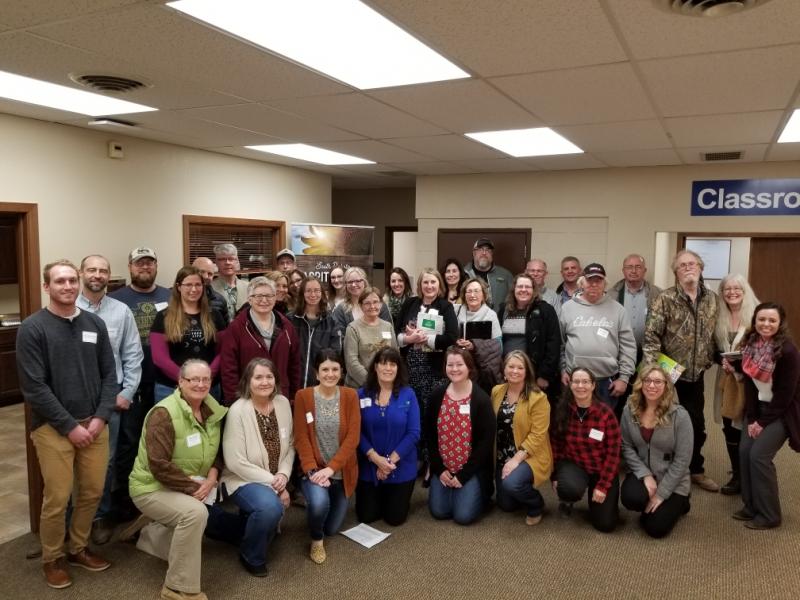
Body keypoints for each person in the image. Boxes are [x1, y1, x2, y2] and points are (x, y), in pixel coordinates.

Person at [17, 260, 117, 589]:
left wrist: (101, 417)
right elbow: (34, 388)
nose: (68, 286)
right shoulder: (33, 328)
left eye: (72, 280)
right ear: (47, 287)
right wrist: (69, 426)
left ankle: (77, 548)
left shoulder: (94, 324)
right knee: (58, 498)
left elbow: (109, 376)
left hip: (95, 425)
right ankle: (53, 557)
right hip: (53, 428)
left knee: (91, 493)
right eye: (60, 281)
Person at [128, 359, 230, 600]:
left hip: (191, 482)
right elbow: (159, 466)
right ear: (180, 382)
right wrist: (196, 487)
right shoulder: (163, 413)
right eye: (193, 379)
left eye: (206, 379)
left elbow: (218, 452)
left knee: (199, 516)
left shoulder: (213, 410)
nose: (200, 384)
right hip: (151, 487)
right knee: (195, 514)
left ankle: (151, 534)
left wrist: (212, 477)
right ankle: (176, 588)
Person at [77, 255, 144, 544]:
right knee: (71, 461)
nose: (97, 274)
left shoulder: (120, 311)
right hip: (75, 398)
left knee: (106, 461)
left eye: (102, 270)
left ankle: (100, 516)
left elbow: (133, 355)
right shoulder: (68, 308)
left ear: (109, 275)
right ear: (82, 273)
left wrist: (126, 392)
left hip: (112, 397)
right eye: (91, 269)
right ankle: (74, 519)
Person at [644, 249, 719, 492]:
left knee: (696, 424)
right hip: (668, 374)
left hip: (696, 375)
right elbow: (651, 336)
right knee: (663, 425)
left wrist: (719, 357)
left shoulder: (711, 299)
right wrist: (652, 372)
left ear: (701, 268)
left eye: (692, 264)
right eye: (682, 265)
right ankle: (660, 470)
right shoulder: (665, 299)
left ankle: (695, 469)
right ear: (676, 272)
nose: (688, 268)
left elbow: (714, 335)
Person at [110, 246, 171, 518]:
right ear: (130, 266)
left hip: (164, 383)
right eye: (139, 263)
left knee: (164, 441)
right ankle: (126, 501)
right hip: (131, 385)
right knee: (129, 443)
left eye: (149, 263)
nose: (144, 267)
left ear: (156, 265)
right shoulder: (117, 300)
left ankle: (162, 495)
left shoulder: (171, 296)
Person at [220, 358, 294, 576]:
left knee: (269, 511)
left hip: (275, 477)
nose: (265, 382)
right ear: (248, 381)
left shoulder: (282, 403)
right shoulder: (238, 410)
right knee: (270, 508)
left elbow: (290, 444)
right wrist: (275, 484)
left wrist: (283, 474)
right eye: (258, 377)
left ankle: (246, 529)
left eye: (269, 376)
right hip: (242, 478)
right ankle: (250, 555)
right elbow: (235, 462)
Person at [734, 302, 800, 530]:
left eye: (772, 320)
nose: (766, 324)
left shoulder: (788, 351)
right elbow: (751, 387)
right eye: (761, 319)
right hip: (757, 410)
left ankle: (770, 515)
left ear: (780, 323)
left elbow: (785, 395)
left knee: (759, 456)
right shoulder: (751, 345)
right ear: (755, 321)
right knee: (744, 452)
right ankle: (751, 506)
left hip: (781, 411)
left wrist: (762, 423)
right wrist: (752, 418)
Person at [293, 350, 360, 564]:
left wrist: (331, 469)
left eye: (335, 369)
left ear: (341, 372)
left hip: (340, 472)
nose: (330, 374)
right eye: (325, 369)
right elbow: (301, 438)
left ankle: (316, 511)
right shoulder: (303, 396)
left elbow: (353, 438)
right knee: (320, 505)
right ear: (316, 373)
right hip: (314, 471)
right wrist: (314, 471)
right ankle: (316, 539)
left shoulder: (350, 395)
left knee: (331, 528)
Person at [620, 365, 693, 538]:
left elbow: (683, 460)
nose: (652, 386)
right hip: (644, 472)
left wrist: (661, 495)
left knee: (655, 529)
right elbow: (626, 446)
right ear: (641, 383)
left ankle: (682, 502)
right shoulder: (629, 410)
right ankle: (654, 504)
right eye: (648, 380)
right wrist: (645, 475)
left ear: (666, 386)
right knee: (631, 498)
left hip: (672, 479)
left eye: (658, 381)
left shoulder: (680, 416)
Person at [426, 347, 495, 525]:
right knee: (439, 512)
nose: (454, 369)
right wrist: (439, 469)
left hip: (471, 469)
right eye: (450, 365)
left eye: (459, 364)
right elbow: (430, 436)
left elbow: (485, 444)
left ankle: (478, 493)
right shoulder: (437, 395)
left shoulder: (481, 399)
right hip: (444, 467)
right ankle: (453, 489)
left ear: (469, 367)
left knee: (463, 516)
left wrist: (464, 475)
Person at [550, 367, 621, 533]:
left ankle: (598, 500)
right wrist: (555, 475)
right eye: (576, 381)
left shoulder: (605, 413)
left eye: (585, 382)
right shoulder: (562, 411)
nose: (580, 386)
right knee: (567, 488)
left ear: (593, 385)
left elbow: (614, 453)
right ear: (570, 384)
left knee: (605, 525)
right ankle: (568, 499)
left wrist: (603, 486)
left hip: (601, 469)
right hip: (575, 466)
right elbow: (556, 445)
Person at [356, 348, 420, 526]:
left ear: (398, 368)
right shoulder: (360, 395)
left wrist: (388, 463)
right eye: (383, 363)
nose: (388, 368)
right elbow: (356, 431)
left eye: (393, 364)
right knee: (366, 516)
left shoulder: (409, 394)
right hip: (369, 465)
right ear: (375, 367)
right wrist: (376, 460)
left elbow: (414, 433)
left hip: (400, 466)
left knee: (394, 518)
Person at [559, 263, 636, 411]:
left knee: (602, 429)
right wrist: (563, 370)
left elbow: (628, 347)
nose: (594, 284)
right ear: (582, 283)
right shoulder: (567, 308)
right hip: (575, 381)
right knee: (575, 426)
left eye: (598, 280)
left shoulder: (618, 310)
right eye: (589, 280)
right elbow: (560, 344)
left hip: (606, 384)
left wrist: (624, 378)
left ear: (605, 284)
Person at [491, 351, 553, 526]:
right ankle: (519, 486)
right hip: (502, 454)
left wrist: (515, 461)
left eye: (520, 367)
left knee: (512, 484)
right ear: (504, 369)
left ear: (527, 372)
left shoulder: (538, 398)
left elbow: (538, 435)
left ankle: (536, 504)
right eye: (511, 366)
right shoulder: (497, 391)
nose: (515, 371)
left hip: (529, 454)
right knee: (506, 505)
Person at [396, 268, 458, 435]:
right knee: (412, 412)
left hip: (434, 370)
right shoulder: (410, 303)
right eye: (425, 282)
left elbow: (452, 338)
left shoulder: (445, 307)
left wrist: (427, 339)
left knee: (432, 412)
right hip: (410, 368)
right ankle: (414, 453)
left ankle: (429, 456)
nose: (429, 286)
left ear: (439, 284)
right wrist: (408, 339)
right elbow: (395, 333)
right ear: (420, 285)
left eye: (433, 282)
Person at [150, 266, 225, 403]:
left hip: (208, 387)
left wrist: (204, 378)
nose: (194, 289)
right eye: (188, 285)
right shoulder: (163, 317)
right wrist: (187, 380)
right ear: (178, 287)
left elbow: (223, 352)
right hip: (170, 389)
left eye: (198, 284)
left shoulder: (215, 315)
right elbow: (159, 358)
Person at [220, 277, 300, 404]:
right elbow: (228, 369)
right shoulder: (236, 328)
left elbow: (295, 364)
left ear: (275, 298)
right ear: (249, 299)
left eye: (269, 296)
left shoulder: (287, 326)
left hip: (280, 396)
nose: (264, 300)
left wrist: (293, 395)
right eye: (258, 296)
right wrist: (234, 400)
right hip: (247, 398)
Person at [714, 274, 759, 495]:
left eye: (736, 288)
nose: (732, 292)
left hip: (751, 382)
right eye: (727, 289)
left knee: (748, 426)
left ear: (745, 290)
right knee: (729, 425)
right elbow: (714, 348)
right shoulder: (718, 315)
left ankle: (750, 473)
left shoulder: (756, 315)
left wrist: (740, 368)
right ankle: (737, 474)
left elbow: (765, 350)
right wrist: (720, 360)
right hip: (726, 381)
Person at [498, 273, 561, 404]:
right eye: (520, 286)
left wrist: (544, 375)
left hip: (534, 374)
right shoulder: (504, 309)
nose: (523, 290)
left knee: (532, 410)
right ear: (513, 289)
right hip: (509, 372)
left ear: (534, 290)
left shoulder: (545, 310)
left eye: (528, 287)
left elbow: (553, 343)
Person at [290, 275, 341, 388]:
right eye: (308, 291)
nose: (313, 294)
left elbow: (335, 354)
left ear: (322, 293)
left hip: (321, 385)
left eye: (317, 290)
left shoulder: (331, 322)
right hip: (294, 382)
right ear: (302, 293)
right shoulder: (291, 320)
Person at [609, 254, 661, 363]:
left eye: (638, 267)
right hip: (619, 353)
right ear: (623, 270)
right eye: (629, 267)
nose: (633, 270)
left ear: (644, 270)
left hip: (647, 354)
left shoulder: (658, 294)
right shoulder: (610, 295)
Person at [455, 277, 503, 393]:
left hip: (482, 371)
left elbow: (499, 345)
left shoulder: (490, 315)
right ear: (464, 295)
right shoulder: (455, 311)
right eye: (469, 291)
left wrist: (474, 345)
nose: (472, 295)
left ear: (483, 294)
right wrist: (456, 341)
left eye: (476, 291)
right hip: (459, 367)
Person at [343, 287, 398, 388]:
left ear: (381, 304)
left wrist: (386, 380)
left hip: (385, 385)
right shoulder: (352, 328)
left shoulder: (388, 326)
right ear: (361, 306)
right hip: (359, 387)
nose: (372, 306)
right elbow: (352, 363)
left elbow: (395, 356)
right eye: (367, 303)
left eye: (376, 302)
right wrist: (372, 383)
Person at [332, 266, 392, 336]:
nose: (354, 285)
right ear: (346, 285)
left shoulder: (378, 304)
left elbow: (388, 332)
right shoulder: (341, 309)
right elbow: (339, 337)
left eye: (357, 281)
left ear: (364, 282)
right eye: (350, 282)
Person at [463, 237, 513, 310]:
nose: (484, 253)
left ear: (492, 254)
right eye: (480, 249)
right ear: (474, 253)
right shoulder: (463, 274)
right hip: (470, 319)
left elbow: (513, 299)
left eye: (488, 250)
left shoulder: (505, 275)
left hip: (499, 320)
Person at [211, 243, 249, 322]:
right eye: (222, 259)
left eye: (231, 259)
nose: (227, 262)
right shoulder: (209, 288)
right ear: (216, 263)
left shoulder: (249, 287)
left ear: (237, 261)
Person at [192, 256, 230, 329]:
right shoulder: (173, 295)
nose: (206, 276)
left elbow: (225, 331)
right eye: (202, 272)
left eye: (210, 274)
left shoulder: (219, 300)